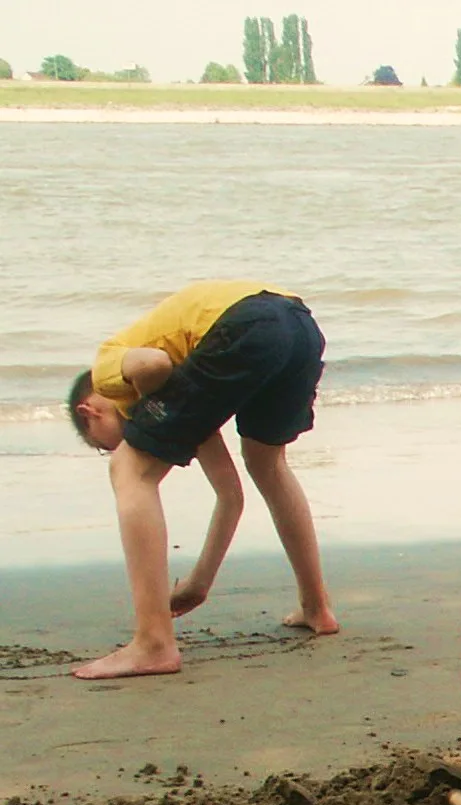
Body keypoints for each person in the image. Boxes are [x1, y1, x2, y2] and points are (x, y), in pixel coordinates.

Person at [67, 280, 338, 680]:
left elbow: (150, 365)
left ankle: (153, 643)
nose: (113, 445)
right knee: (267, 464)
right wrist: (199, 582)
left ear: (89, 412)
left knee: (129, 469)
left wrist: (153, 413)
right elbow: (230, 496)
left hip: (244, 325)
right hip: (298, 327)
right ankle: (317, 608)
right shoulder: (193, 378)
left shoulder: (107, 367)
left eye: (101, 444)